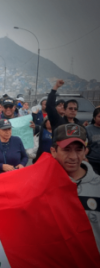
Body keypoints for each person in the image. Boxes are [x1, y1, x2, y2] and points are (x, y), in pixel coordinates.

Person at [50, 124, 100, 256]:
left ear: (86, 151)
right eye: (66, 149)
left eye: (79, 150)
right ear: (53, 151)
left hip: (93, 267)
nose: (73, 157)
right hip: (57, 267)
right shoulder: (42, 186)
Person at [86, 107, 100, 174]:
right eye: (99, 116)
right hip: (92, 162)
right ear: (94, 118)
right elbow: (84, 145)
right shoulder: (87, 129)